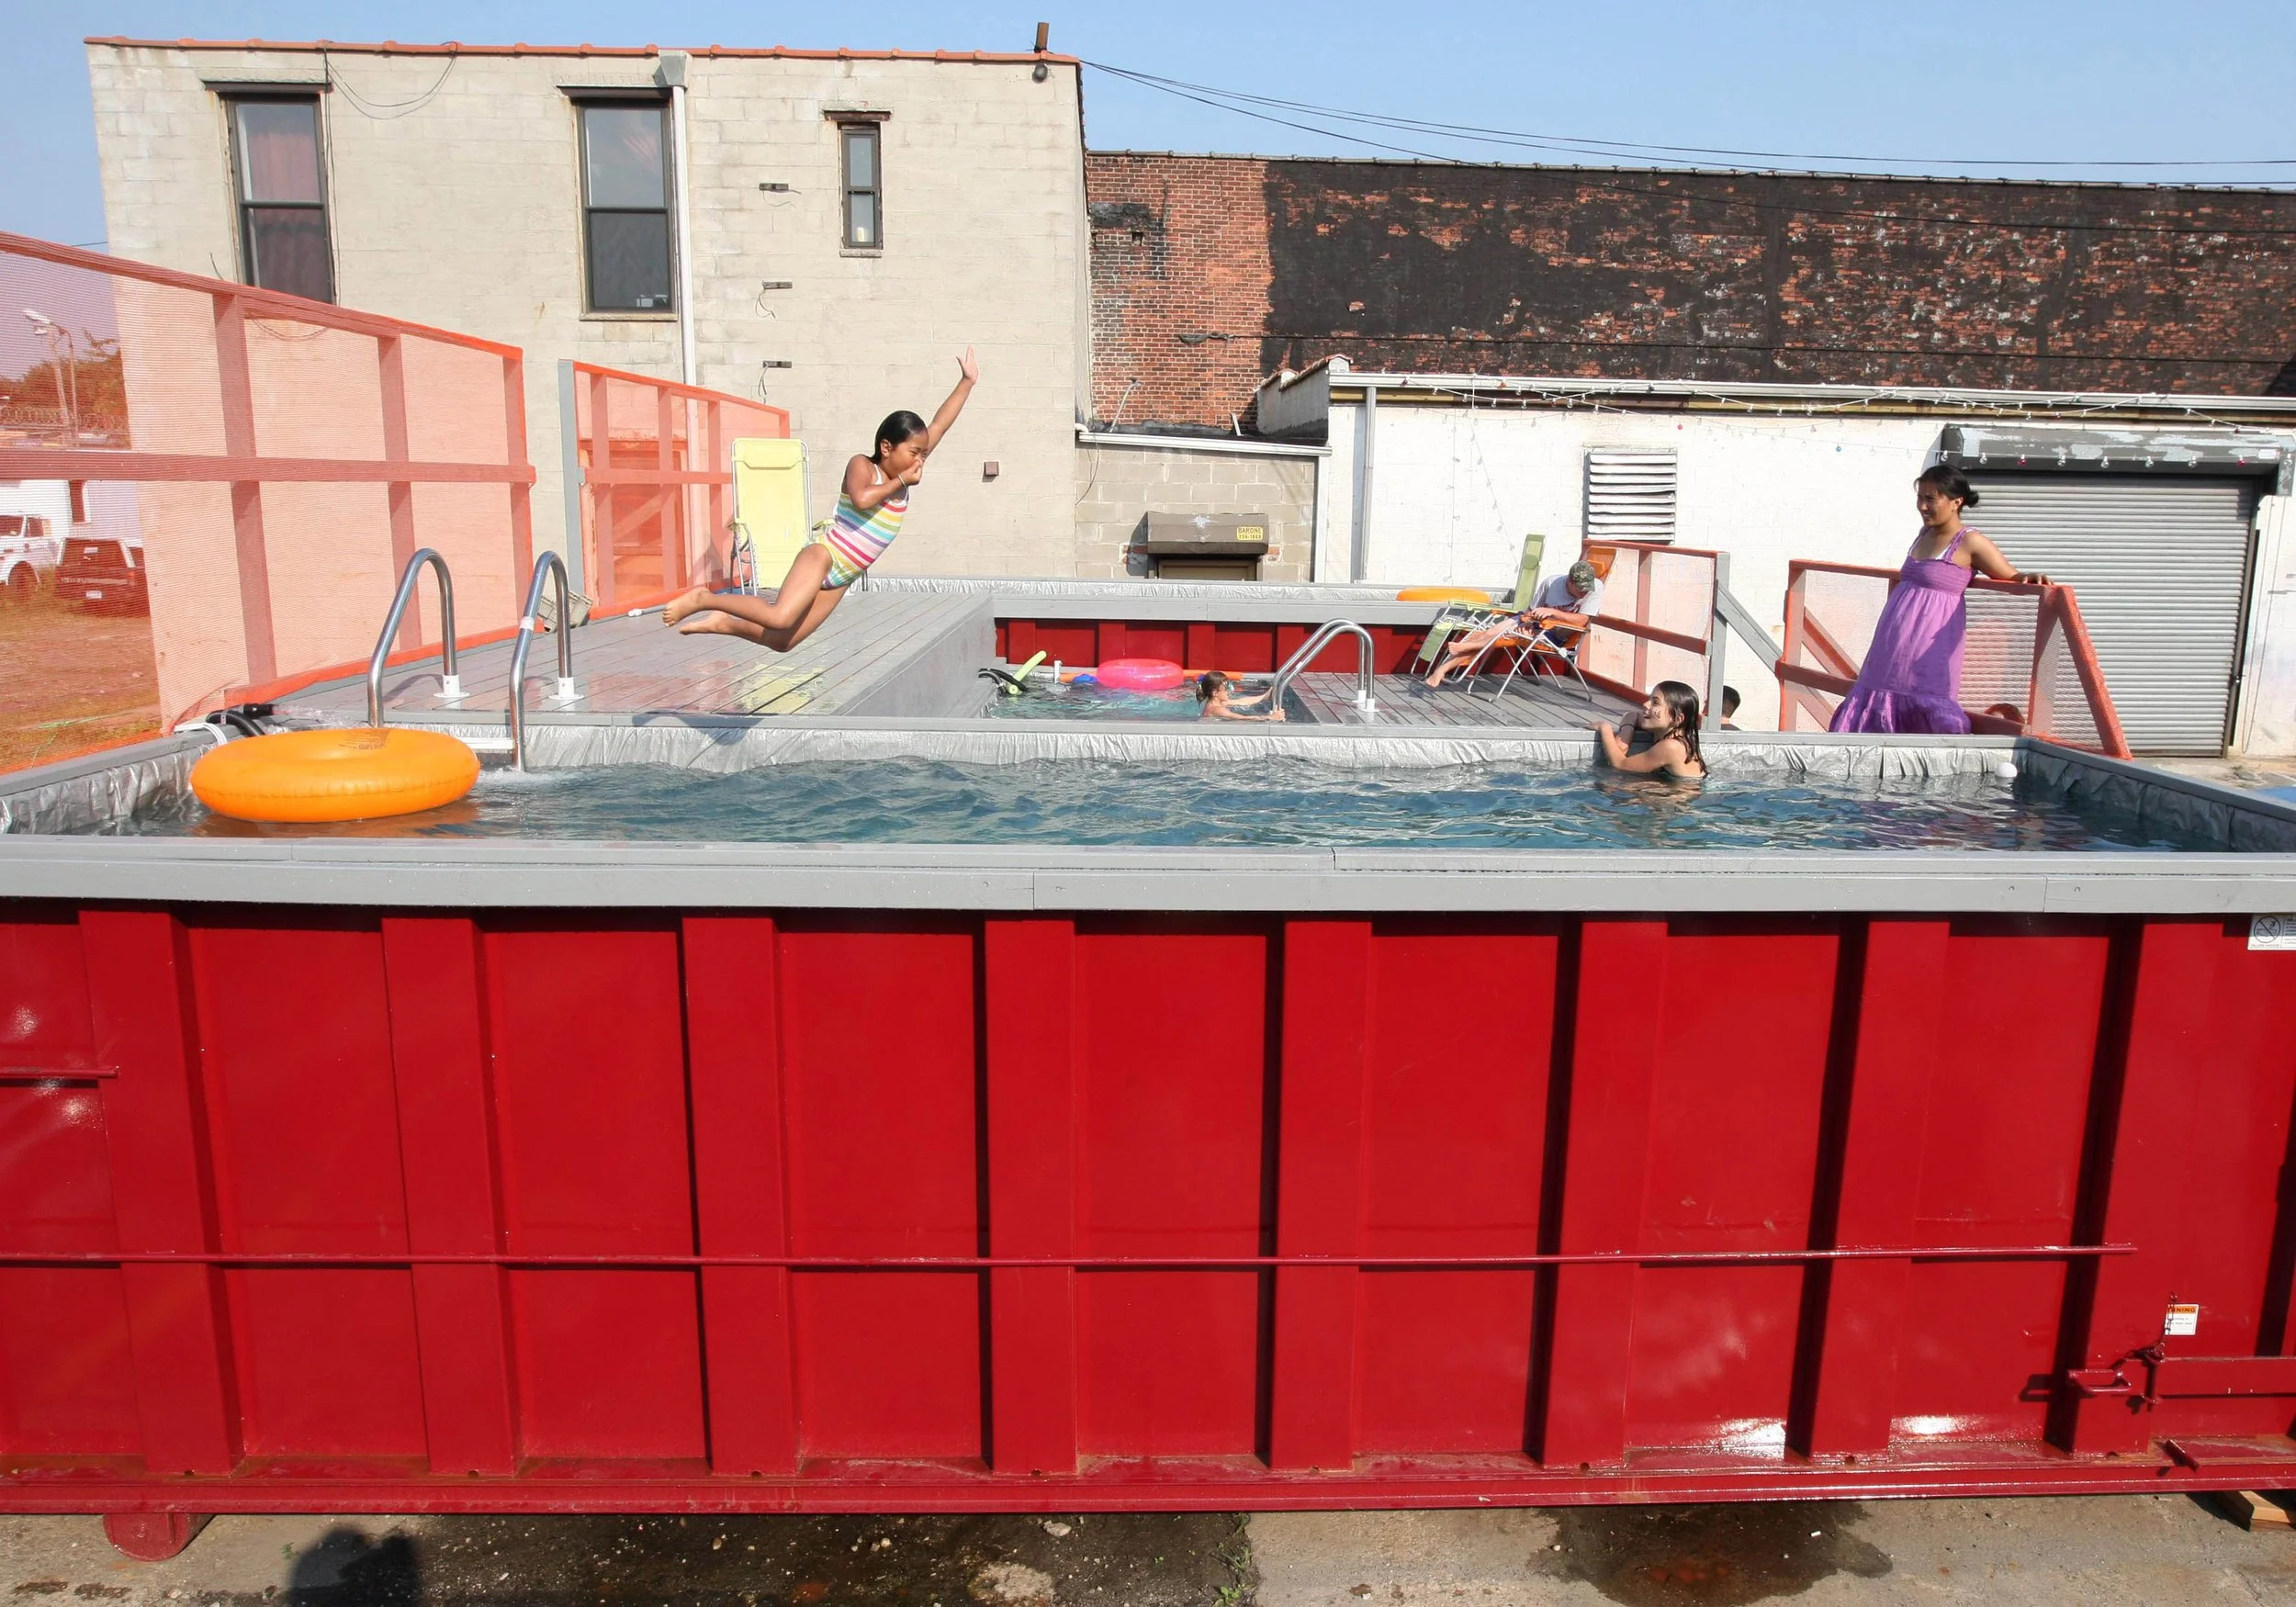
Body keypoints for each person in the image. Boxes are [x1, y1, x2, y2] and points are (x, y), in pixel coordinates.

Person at [663, 349, 979, 649]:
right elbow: (861, 500)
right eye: (913, 452)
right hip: (824, 557)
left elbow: (939, 425)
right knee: (779, 616)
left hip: (844, 575)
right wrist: (900, 480)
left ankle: (725, 623)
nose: (919, 460)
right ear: (886, 447)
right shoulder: (864, 466)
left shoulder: (906, 470)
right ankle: (704, 599)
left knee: (783, 641)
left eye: (923, 453)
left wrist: (966, 382)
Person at [1828, 465, 2048, 735]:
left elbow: (2009, 574)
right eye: (1920, 498)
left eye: (1930, 499)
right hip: (1891, 644)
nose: (1922, 506)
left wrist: (2027, 577)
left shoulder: (1971, 542)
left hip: (1930, 644)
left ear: (1956, 502)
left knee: (1926, 698)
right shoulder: (1924, 534)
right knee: (1879, 696)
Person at [1424, 558, 1604, 689]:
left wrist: (1553, 612)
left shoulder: (1595, 589)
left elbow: (1583, 620)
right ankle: (1440, 671)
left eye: (1587, 589)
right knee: (1487, 631)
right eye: (1580, 589)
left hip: (1554, 635)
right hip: (1535, 625)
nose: (1584, 593)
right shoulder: (1551, 583)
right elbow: (1530, 611)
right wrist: (1528, 620)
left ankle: (1456, 657)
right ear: (1570, 582)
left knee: (1501, 637)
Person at [1594, 680, 1708, 780]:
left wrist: (1605, 729)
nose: (1645, 704)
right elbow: (1632, 715)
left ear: (1677, 718)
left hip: (1680, 795)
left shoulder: (1671, 747)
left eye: (1655, 703)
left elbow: (1619, 765)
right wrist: (1625, 735)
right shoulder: (1676, 733)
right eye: (1649, 699)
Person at [1195, 670, 1284, 721]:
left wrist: (1264, 697)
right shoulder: (1216, 709)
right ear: (1215, 693)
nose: (1229, 691)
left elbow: (1242, 701)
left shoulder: (1218, 702)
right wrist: (1271, 717)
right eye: (1225, 689)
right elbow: (1243, 718)